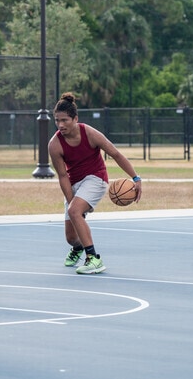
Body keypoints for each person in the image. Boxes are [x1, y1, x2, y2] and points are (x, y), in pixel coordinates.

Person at [48, 92, 142, 274]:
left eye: (65, 120)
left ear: (75, 119)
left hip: (96, 178)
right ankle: (78, 248)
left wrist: (136, 178)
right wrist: (71, 200)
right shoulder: (54, 144)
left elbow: (115, 154)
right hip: (73, 182)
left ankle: (93, 259)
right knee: (71, 237)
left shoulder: (89, 133)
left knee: (75, 211)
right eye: (57, 120)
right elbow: (62, 176)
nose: (60, 125)